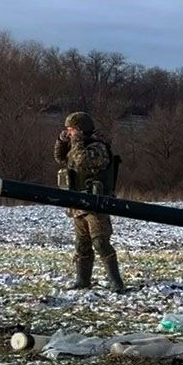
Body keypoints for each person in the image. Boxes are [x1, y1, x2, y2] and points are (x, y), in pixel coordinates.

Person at [53, 111, 126, 293]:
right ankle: (83, 280)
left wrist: (76, 142)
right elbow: (61, 158)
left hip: (95, 204)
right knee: (82, 244)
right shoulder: (76, 146)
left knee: (100, 242)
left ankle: (116, 282)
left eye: (71, 130)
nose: (69, 133)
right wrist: (62, 142)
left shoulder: (98, 147)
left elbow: (81, 162)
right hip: (78, 203)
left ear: (80, 129)